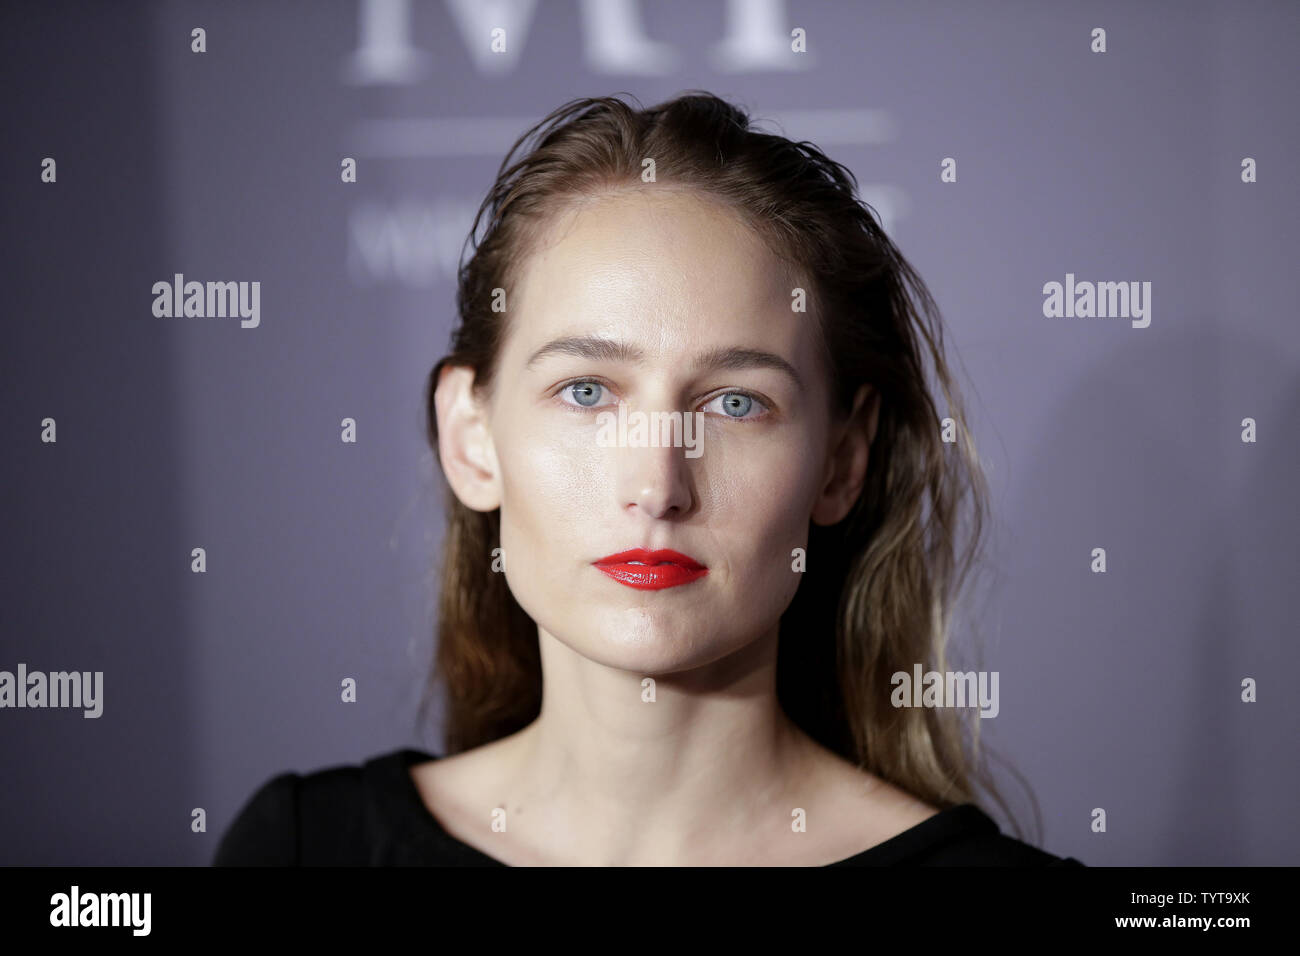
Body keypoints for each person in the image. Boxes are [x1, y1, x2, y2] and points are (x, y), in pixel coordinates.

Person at [214, 91, 1083, 867]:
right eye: (586, 392)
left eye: (736, 403)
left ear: (842, 462)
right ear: (471, 437)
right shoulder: (302, 849)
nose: (658, 485)